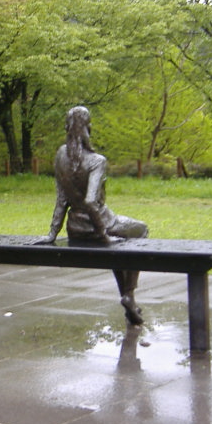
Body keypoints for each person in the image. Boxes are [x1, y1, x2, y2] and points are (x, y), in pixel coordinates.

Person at [39, 106, 149, 324]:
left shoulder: (60, 155)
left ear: (67, 127)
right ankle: (128, 293)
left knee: (117, 251)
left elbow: (61, 198)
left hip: (74, 228)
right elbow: (91, 201)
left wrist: (53, 233)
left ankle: (129, 299)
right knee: (141, 229)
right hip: (98, 225)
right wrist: (104, 235)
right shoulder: (97, 161)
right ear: (88, 128)